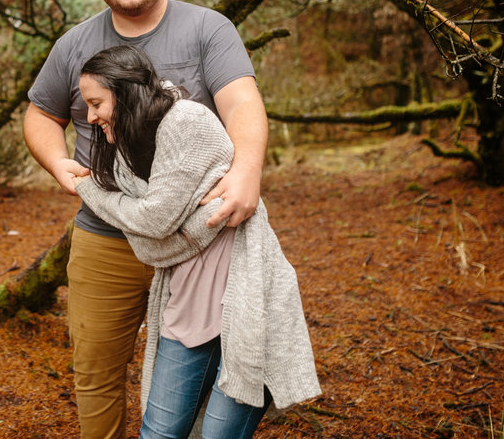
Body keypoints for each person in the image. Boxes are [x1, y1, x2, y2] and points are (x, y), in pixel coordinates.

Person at [24, 0, 269, 437]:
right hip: (106, 238)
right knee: (95, 371)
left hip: (196, 242)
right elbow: (41, 113)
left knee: (201, 370)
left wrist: (248, 170)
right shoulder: (76, 43)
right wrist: (58, 164)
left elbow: (242, 102)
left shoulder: (208, 29)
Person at [72, 45, 320, 438]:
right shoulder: (124, 155)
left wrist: (88, 189)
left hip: (243, 294)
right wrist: (183, 224)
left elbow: (152, 221)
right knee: (158, 432)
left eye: (96, 102)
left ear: (124, 92)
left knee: (217, 435)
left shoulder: (186, 120)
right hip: (186, 299)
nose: (90, 116)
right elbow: (148, 244)